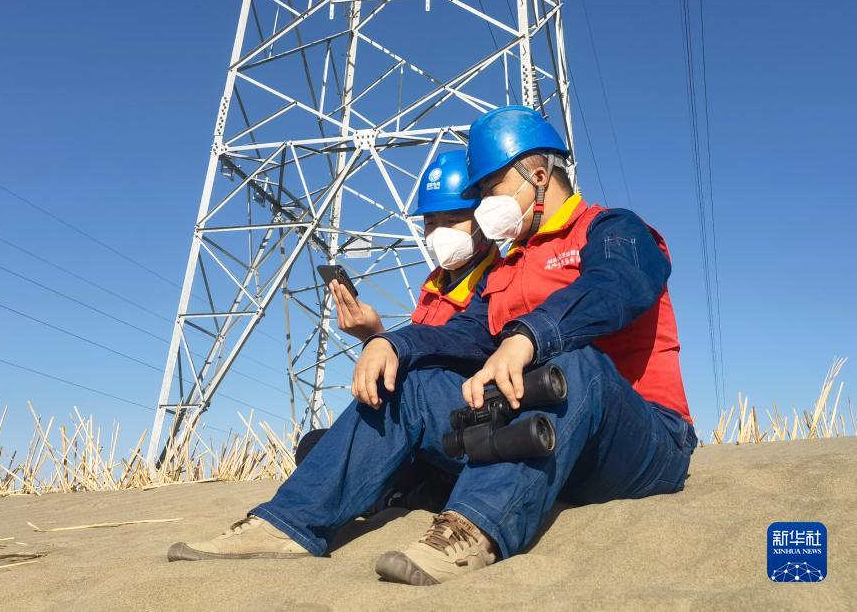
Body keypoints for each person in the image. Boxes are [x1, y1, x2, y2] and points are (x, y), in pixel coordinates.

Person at [167, 105, 697, 588]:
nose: (485, 206)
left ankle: (472, 529)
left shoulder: (612, 229)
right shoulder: (506, 270)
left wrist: (528, 336)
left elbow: (616, 286)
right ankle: (287, 524)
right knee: (414, 384)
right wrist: (391, 343)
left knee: (573, 363)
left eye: (492, 189)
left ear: (538, 177)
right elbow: (462, 334)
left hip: (641, 440)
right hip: (544, 441)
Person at [296, 149, 499, 512]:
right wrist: (373, 334)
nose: (439, 233)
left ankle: (401, 494)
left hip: (461, 417)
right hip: (418, 419)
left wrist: (388, 342)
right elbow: (420, 354)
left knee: (367, 460)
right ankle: (403, 494)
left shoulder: (499, 279)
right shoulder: (434, 285)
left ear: (484, 220)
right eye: (431, 222)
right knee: (313, 446)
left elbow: (456, 350)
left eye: (453, 220)